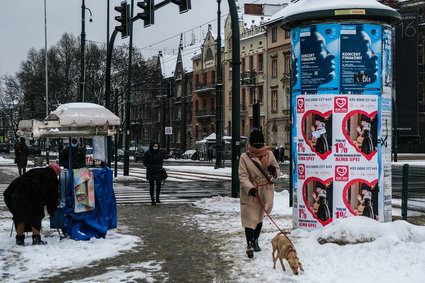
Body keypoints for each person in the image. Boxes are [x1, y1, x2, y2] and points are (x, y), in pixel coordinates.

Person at [239, 129, 280, 258]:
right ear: (251, 143)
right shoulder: (244, 157)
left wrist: (274, 171)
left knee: (259, 217)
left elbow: (277, 170)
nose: (258, 144)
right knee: (250, 218)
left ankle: (256, 240)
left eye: (259, 142)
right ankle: (249, 244)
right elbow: (243, 175)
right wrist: (250, 188)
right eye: (255, 142)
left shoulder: (269, 154)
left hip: (265, 189)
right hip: (251, 191)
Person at [3, 163, 61, 245]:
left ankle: (19, 239)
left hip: (14, 193)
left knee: (19, 216)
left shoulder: (35, 170)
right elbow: (53, 197)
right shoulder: (52, 178)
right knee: (35, 216)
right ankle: (36, 239)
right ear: (56, 173)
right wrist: (52, 210)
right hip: (33, 195)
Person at [143, 140, 164, 205]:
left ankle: (157, 198)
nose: (156, 147)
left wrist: (159, 166)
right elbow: (145, 162)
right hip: (151, 171)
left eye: (157, 146)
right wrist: (150, 167)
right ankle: (152, 200)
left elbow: (161, 161)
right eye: (154, 146)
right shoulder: (147, 153)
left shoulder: (159, 153)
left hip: (158, 171)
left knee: (159, 185)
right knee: (151, 186)